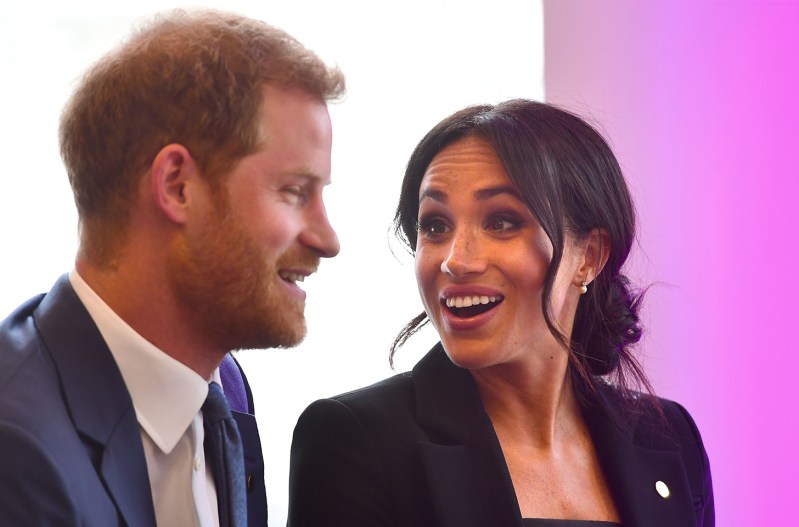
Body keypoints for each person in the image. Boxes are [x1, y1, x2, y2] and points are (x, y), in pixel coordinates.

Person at [287, 100, 714, 527]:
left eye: (502, 222)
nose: (456, 261)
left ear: (590, 256)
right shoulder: (354, 441)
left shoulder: (670, 437)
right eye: (435, 225)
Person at [0, 9, 344, 527]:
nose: (328, 239)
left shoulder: (223, 382)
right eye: (295, 192)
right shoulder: (16, 445)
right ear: (177, 186)